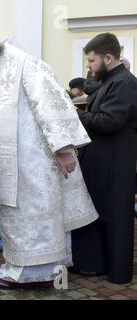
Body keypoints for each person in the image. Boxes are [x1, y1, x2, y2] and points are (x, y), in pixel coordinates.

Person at [0, 16, 99, 289]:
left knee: (37, 217)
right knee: (15, 219)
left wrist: (63, 148)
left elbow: (51, 104)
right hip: (7, 168)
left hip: (34, 163)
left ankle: (41, 275)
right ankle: (19, 268)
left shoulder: (26, 65)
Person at [71, 33, 137, 284]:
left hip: (115, 161)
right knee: (102, 214)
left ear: (108, 57)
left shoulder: (124, 83)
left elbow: (109, 122)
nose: (89, 67)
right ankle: (97, 265)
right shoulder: (111, 80)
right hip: (104, 159)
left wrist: (77, 115)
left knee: (116, 217)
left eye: (91, 61)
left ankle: (117, 271)